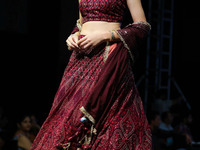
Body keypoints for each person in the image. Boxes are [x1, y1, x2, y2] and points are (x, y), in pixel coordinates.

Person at [31, 0, 152, 149]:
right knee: (68, 116)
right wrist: (73, 35)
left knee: (107, 118)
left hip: (108, 56)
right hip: (81, 57)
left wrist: (105, 36)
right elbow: (81, 23)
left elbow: (142, 26)